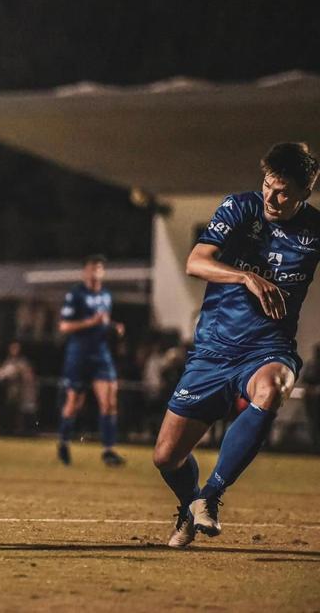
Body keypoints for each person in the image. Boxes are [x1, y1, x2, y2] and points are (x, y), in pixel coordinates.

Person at [153, 142, 320, 548]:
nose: (271, 197)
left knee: (274, 386)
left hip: (267, 349)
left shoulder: (315, 229)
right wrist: (246, 276)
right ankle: (189, 507)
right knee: (165, 457)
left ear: (306, 191)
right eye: (267, 185)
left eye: (283, 191)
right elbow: (196, 261)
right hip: (213, 350)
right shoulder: (240, 209)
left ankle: (210, 495)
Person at [56, 255, 126, 466]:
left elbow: (102, 321)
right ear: (85, 271)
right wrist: (90, 322)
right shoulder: (75, 294)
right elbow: (64, 326)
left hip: (101, 354)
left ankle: (108, 451)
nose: (96, 272)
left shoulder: (106, 295)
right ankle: (64, 442)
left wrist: (114, 326)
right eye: (92, 268)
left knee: (110, 400)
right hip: (79, 354)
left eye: (100, 269)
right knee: (74, 403)